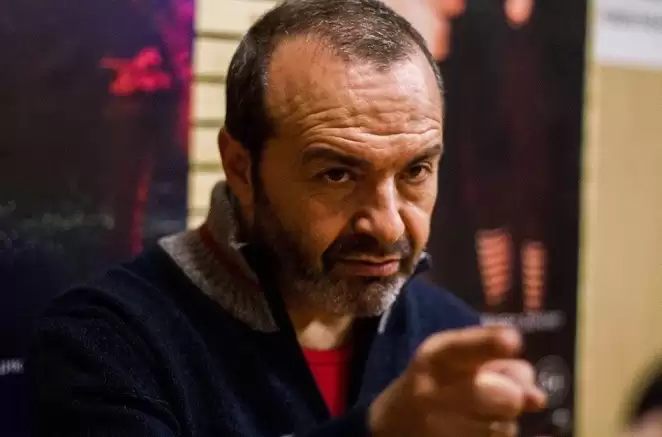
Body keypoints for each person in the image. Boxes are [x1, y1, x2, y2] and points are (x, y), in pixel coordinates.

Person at [26, 0, 547, 436]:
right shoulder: (105, 342)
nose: (388, 225)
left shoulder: (446, 334)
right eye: (337, 174)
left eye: (415, 171)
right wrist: (378, 430)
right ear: (240, 168)